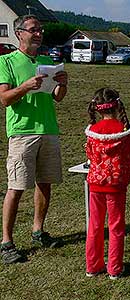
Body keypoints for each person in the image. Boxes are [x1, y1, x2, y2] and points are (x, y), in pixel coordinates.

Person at [0, 15, 68, 264]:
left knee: (45, 183)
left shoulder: (47, 61)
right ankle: (6, 242)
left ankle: (38, 231)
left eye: (40, 29)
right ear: (19, 33)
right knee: (16, 187)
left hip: (48, 129)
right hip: (22, 132)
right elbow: (5, 99)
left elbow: (58, 98)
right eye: (33, 30)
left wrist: (62, 84)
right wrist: (27, 86)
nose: (38, 33)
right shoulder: (6, 61)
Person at [85, 88, 130, 280]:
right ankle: (115, 268)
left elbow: (90, 156)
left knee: (94, 225)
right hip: (117, 186)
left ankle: (93, 266)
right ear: (117, 105)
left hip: (95, 184)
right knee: (116, 226)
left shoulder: (92, 132)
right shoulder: (126, 130)